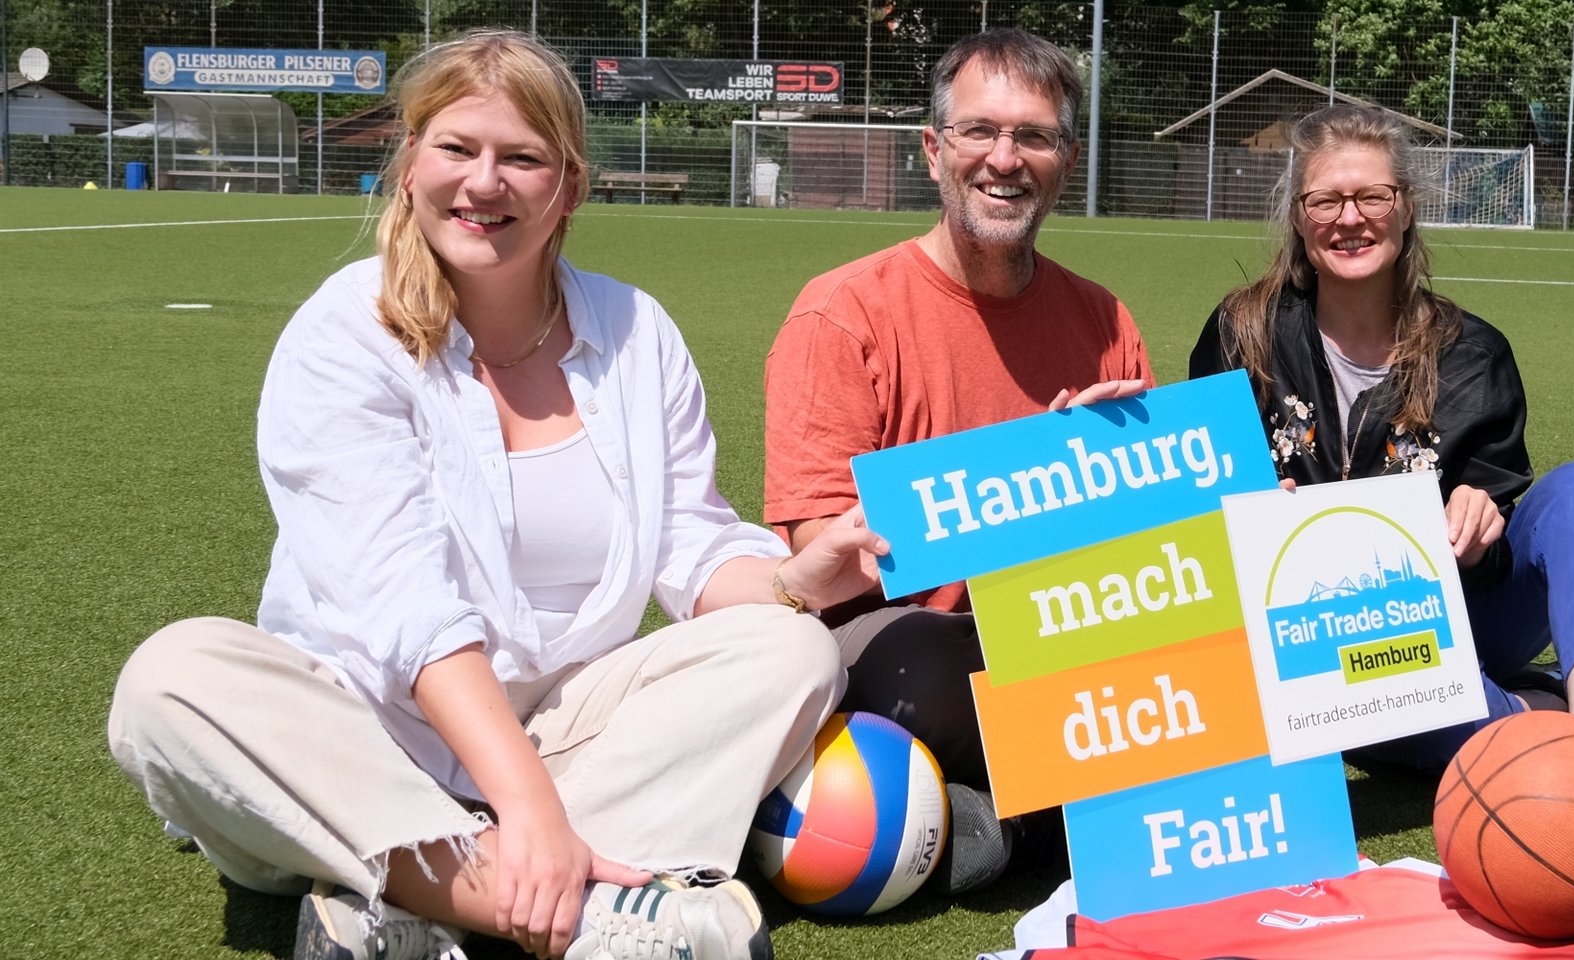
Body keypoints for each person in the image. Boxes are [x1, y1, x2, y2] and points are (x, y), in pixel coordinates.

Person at [108, 31, 886, 960]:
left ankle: (402, 890)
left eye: (522, 158)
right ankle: (575, 913)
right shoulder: (344, 332)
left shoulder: (637, 331)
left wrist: (797, 579)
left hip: (565, 734)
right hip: (365, 731)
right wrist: (528, 810)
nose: (484, 184)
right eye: (456, 149)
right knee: (171, 685)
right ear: (409, 164)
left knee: (790, 649)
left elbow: (690, 544)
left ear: (570, 186)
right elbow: (404, 609)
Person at [762, 28, 1150, 893]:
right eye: (980, 131)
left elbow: (1152, 548)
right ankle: (1034, 810)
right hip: (907, 648)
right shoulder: (841, 314)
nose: (1004, 159)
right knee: (943, 655)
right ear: (934, 150)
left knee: (1187, 637)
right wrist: (1031, 486)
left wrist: (1120, 477)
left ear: (1067, 158)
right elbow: (821, 546)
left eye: (1035, 137)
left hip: (1065, 630)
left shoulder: (1104, 321)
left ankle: (997, 813)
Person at [1189, 103, 1574, 773]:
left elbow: (1494, 532)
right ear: (1298, 215)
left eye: (1373, 196)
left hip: (1457, 613)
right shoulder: (1242, 331)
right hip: (1323, 645)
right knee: (1351, 697)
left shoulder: (1473, 354)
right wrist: (1246, 509)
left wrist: (1478, 526)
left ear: (1405, 208)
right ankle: (1536, 707)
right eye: (1326, 201)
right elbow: (1198, 507)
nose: (1350, 219)